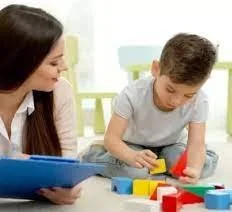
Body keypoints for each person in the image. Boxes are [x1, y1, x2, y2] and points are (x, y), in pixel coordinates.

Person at [82, 33, 219, 184]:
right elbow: (111, 139)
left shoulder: (200, 100)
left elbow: (196, 144)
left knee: (195, 167)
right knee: (135, 171)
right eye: (170, 90)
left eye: (188, 95)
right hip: (131, 144)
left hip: (171, 145)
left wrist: (194, 169)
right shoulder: (132, 95)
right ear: (156, 69)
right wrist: (130, 156)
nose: (176, 101)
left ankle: (187, 158)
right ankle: (94, 156)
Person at [0, 4, 80, 204]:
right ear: (21, 64)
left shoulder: (60, 91)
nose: (64, 67)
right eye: (54, 63)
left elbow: (68, 163)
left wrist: (68, 186)